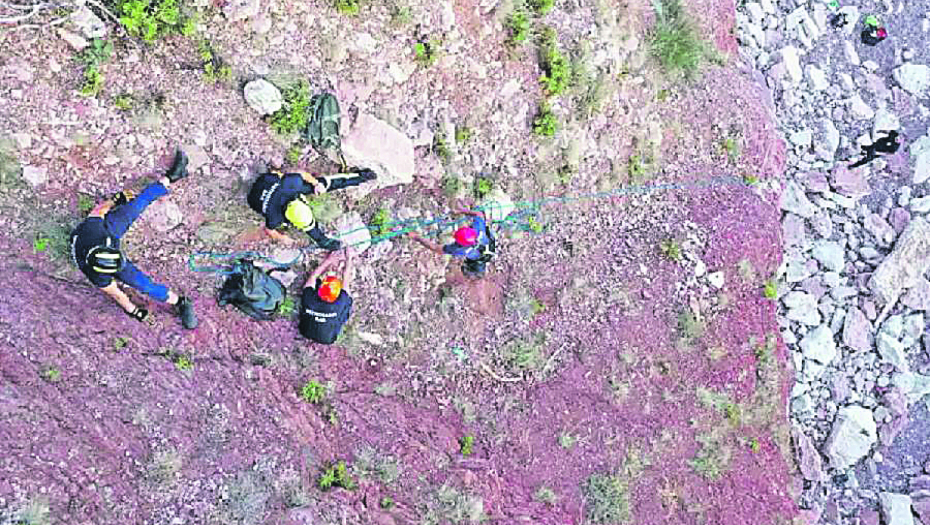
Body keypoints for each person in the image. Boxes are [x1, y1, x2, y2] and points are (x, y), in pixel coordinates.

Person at [70, 150, 198, 329]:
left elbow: (99, 211)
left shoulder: (93, 230)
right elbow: (117, 294)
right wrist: (134, 311)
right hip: (100, 240)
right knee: (143, 284)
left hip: (107, 233)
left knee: (136, 206)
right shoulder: (97, 276)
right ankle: (181, 302)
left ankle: (171, 177)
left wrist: (116, 200)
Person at [247, 167, 376, 251]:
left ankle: (359, 177)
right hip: (257, 194)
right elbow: (269, 230)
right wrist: (283, 239)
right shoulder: (275, 217)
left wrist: (316, 184)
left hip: (267, 183)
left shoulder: (290, 188)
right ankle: (324, 242)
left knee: (322, 184)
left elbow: (302, 174)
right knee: (307, 222)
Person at [407, 202, 496, 278]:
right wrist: (460, 211)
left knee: (475, 268)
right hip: (487, 247)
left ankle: (475, 273)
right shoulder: (478, 229)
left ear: (460, 243)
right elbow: (479, 214)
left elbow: (435, 248)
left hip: (480, 256)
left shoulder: (459, 250)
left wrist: (416, 237)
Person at [298, 248, 354, 345]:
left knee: (312, 285)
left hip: (305, 332)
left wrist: (328, 260)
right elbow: (346, 280)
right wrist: (349, 258)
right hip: (328, 339)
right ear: (337, 295)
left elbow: (313, 277)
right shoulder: (340, 302)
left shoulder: (309, 299)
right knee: (348, 301)